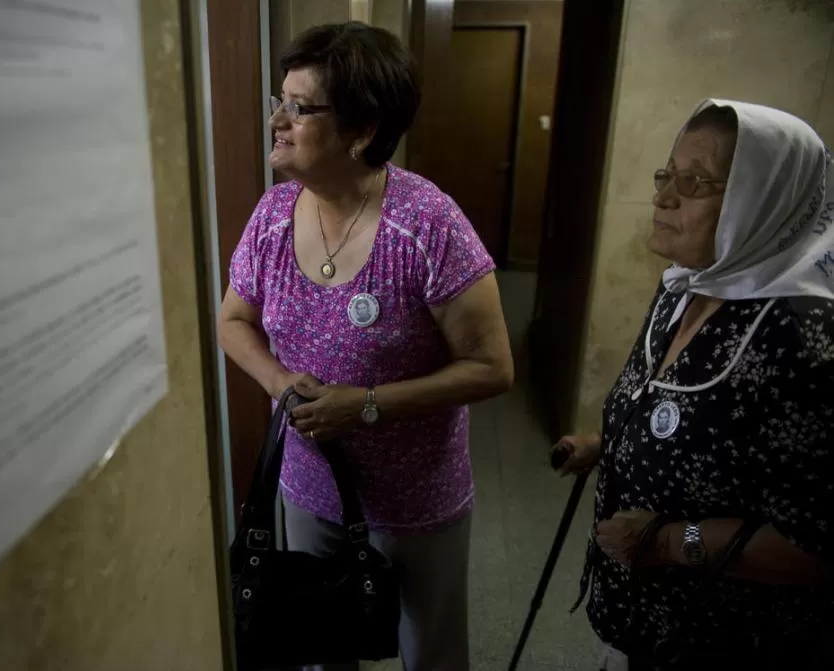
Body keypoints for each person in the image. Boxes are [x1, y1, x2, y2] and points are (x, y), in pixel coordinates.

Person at [217, 22, 514, 671]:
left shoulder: (428, 224)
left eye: (300, 107)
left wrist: (367, 403)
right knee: (319, 644)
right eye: (280, 101)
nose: (278, 121)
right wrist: (278, 382)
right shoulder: (272, 214)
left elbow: (492, 367)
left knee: (429, 649)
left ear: (362, 128)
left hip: (417, 497)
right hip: (308, 484)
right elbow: (233, 320)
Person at [555, 99, 834, 670]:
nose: (662, 198)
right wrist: (611, 441)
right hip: (641, 622)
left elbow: (817, 547)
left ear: (765, 201)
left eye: (696, 181)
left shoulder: (804, 338)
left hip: (725, 641)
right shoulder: (684, 285)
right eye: (667, 174)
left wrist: (665, 542)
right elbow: (687, 410)